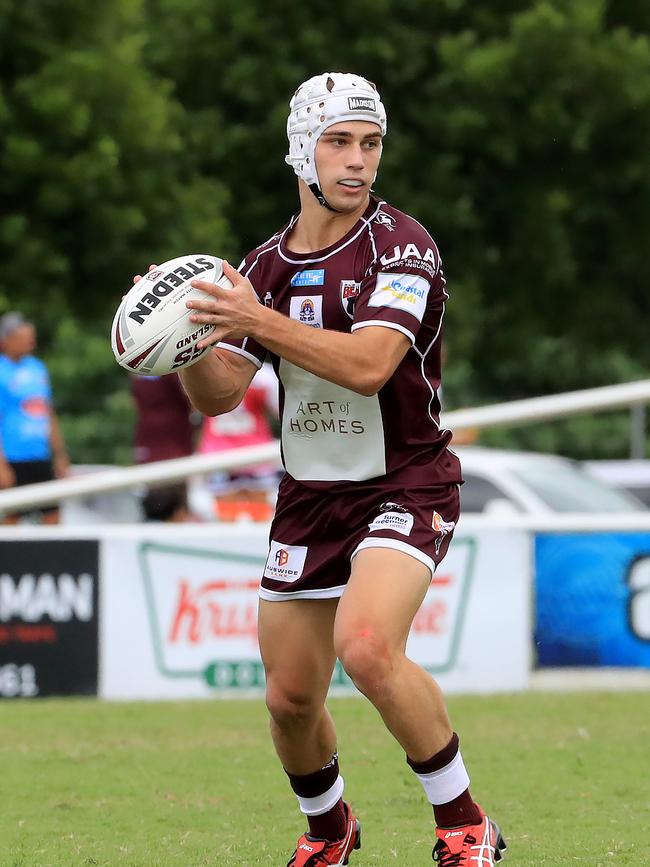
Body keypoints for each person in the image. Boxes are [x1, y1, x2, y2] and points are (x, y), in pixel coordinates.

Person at [136, 73, 506, 866]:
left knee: (367, 644)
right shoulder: (262, 266)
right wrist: (181, 342)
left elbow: (371, 365)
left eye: (370, 144)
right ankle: (331, 832)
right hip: (309, 498)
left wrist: (251, 316)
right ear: (302, 148)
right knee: (290, 695)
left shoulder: (402, 243)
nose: (358, 161)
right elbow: (223, 394)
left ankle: (466, 826)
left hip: (407, 481)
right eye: (339, 142)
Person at [0, 311, 69, 524]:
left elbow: (48, 412)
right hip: (12, 459)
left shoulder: (38, 368)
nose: (32, 342)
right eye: (26, 337)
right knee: (12, 517)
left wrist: (60, 455)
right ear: (8, 340)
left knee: (53, 515)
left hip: (41, 456)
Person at [197, 360, 280, 521]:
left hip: (225, 452)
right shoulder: (264, 374)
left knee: (237, 516)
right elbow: (281, 411)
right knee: (257, 516)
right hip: (249, 453)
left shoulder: (206, 367)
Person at [130, 372, 199, 522]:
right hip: (165, 440)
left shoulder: (140, 366)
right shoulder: (172, 366)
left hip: (162, 439)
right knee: (160, 498)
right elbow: (196, 403)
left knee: (169, 495)